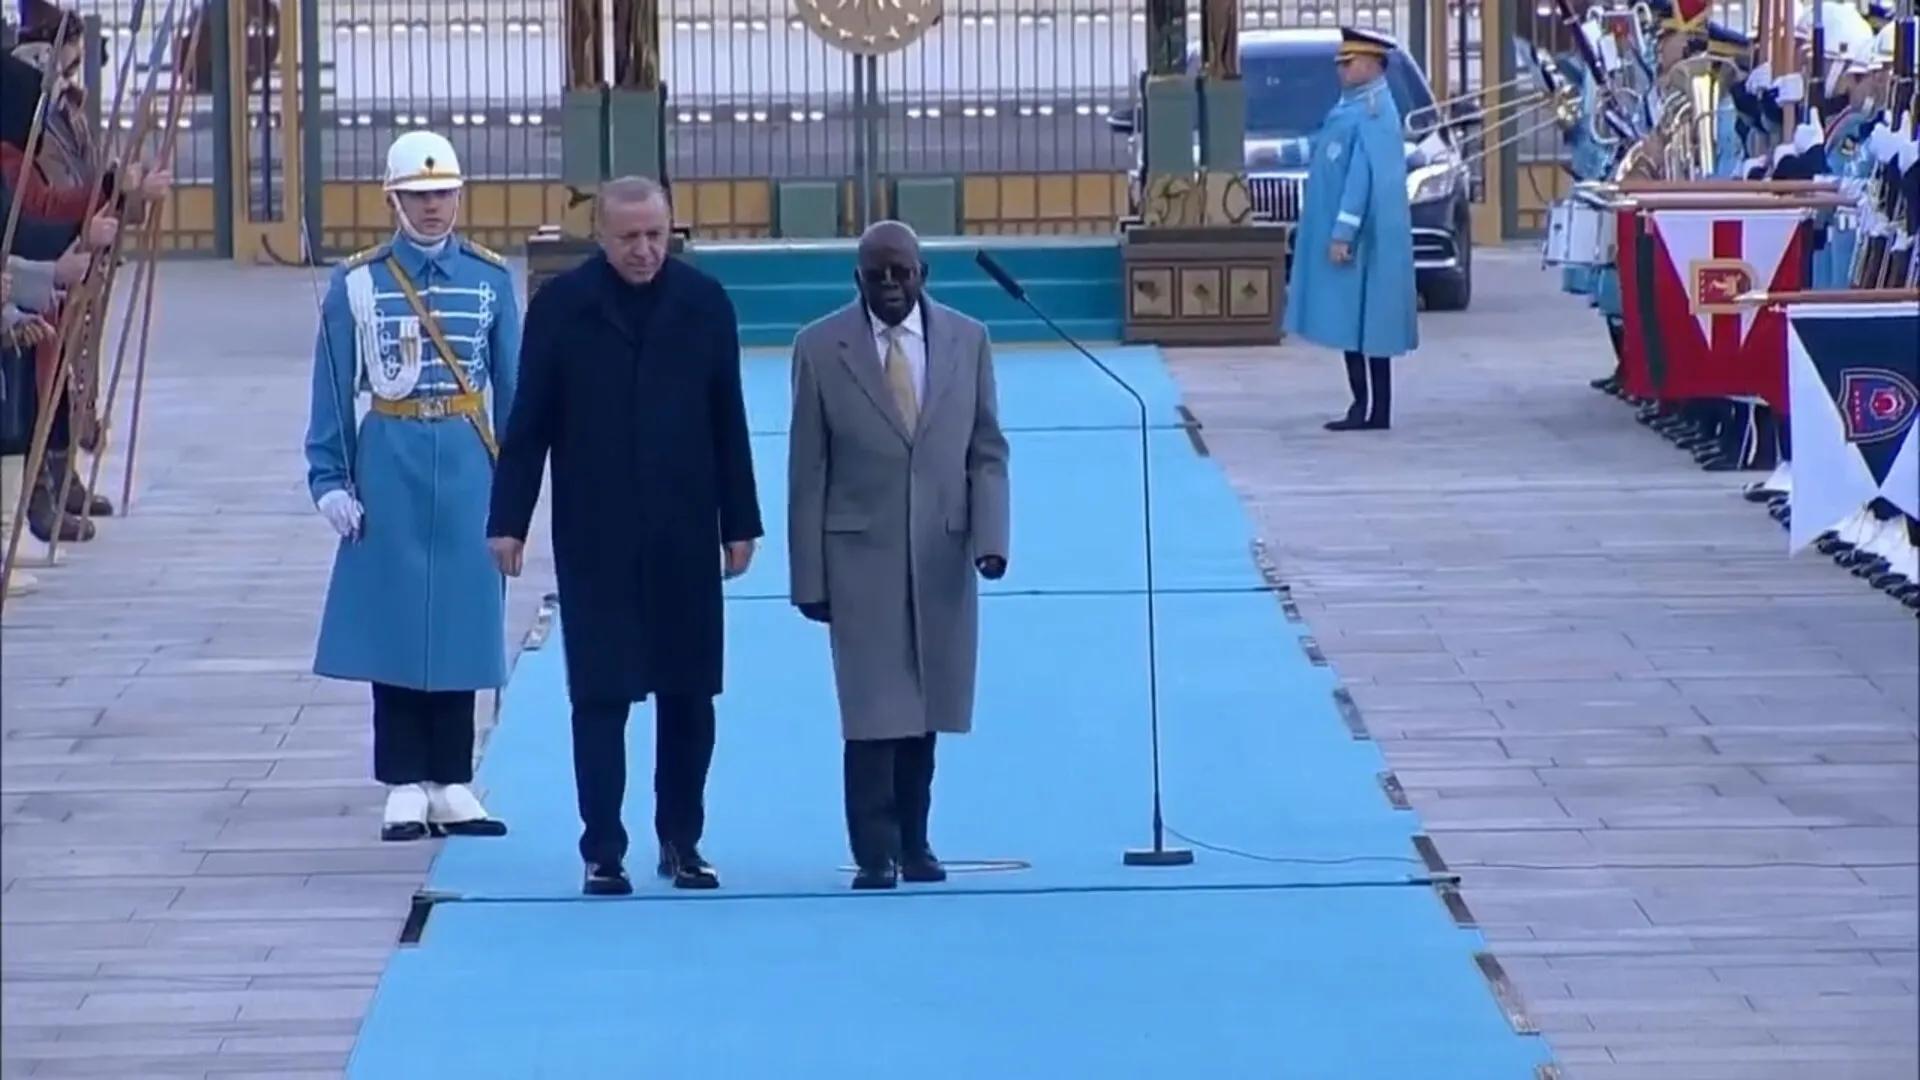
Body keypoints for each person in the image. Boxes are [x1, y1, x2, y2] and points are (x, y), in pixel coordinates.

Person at [487, 176, 762, 897]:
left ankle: (682, 840)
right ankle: (602, 849)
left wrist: (741, 522)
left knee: (688, 694)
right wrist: (508, 521)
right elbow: (530, 424)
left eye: (656, 235)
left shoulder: (705, 306)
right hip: (597, 534)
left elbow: (728, 420)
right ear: (601, 237)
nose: (644, 250)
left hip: (684, 532)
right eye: (629, 238)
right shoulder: (563, 309)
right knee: (601, 696)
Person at [304, 130, 518, 844]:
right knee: (394, 618)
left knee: (462, 613)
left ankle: (451, 778)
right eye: (419, 196)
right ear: (393, 199)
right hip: (389, 452)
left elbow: (512, 389)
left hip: (464, 458)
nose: (433, 208)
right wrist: (328, 477)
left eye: (444, 194)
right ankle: (402, 778)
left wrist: (516, 488)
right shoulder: (357, 283)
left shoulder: (490, 281)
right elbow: (333, 388)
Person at [786, 220, 1011, 891]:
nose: (890, 285)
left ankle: (917, 841)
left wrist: (992, 539)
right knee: (872, 710)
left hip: (941, 553)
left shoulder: (968, 341)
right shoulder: (821, 348)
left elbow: (987, 452)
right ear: (857, 278)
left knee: (927, 709)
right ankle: (874, 850)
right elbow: (808, 471)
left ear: (922, 275)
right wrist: (808, 576)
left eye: (902, 272)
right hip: (859, 555)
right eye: (876, 274)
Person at [1282, 27, 1418, 431]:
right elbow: (1329, 147)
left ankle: (1372, 409)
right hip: (1359, 234)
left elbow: (1362, 177)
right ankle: (1367, 407)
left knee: (1368, 322)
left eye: (1350, 62)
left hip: (1366, 237)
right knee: (1356, 322)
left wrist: (1343, 233)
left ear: (1374, 65)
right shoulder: (1353, 106)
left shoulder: (1374, 112)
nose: (1342, 70)